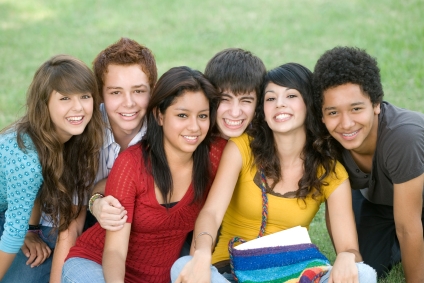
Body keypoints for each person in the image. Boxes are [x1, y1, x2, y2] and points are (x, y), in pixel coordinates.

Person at [171, 63, 377, 283]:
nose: (280, 104)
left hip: (295, 275)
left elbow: (349, 248)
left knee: (364, 274)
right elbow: (211, 213)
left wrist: (347, 257)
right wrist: (202, 253)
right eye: (270, 98)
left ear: (309, 104)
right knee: (182, 266)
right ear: (264, 111)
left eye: (290, 96)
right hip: (230, 272)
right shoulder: (243, 148)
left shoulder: (330, 172)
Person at [61, 66, 226, 283]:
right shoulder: (132, 164)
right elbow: (115, 252)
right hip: (97, 265)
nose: (194, 127)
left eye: (202, 116)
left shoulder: (215, 155)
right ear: (159, 115)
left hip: (163, 275)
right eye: (182, 115)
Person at [48, 37, 158, 283]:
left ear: (153, 90)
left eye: (139, 91)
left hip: (146, 234)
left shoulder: (163, 132)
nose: (128, 103)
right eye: (115, 92)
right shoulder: (82, 131)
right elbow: (70, 225)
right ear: (100, 95)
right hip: (76, 220)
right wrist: (95, 203)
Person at [312, 46, 424, 282]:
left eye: (356, 108)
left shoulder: (403, 137)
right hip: (378, 203)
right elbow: (336, 207)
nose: (346, 124)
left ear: (376, 104)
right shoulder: (326, 141)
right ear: (322, 115)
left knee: (412, 239)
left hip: (419, 202)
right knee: (368, 265)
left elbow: (408, 227)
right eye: (333, 112)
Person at [0, 54, 103, 281]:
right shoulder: (25, 155)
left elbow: (38, 186)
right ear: (44, 103)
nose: (78, 107)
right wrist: (24, 231)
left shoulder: (67, 138)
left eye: (85, 96)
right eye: (65, 98)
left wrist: (32, 230)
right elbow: (12, 236)